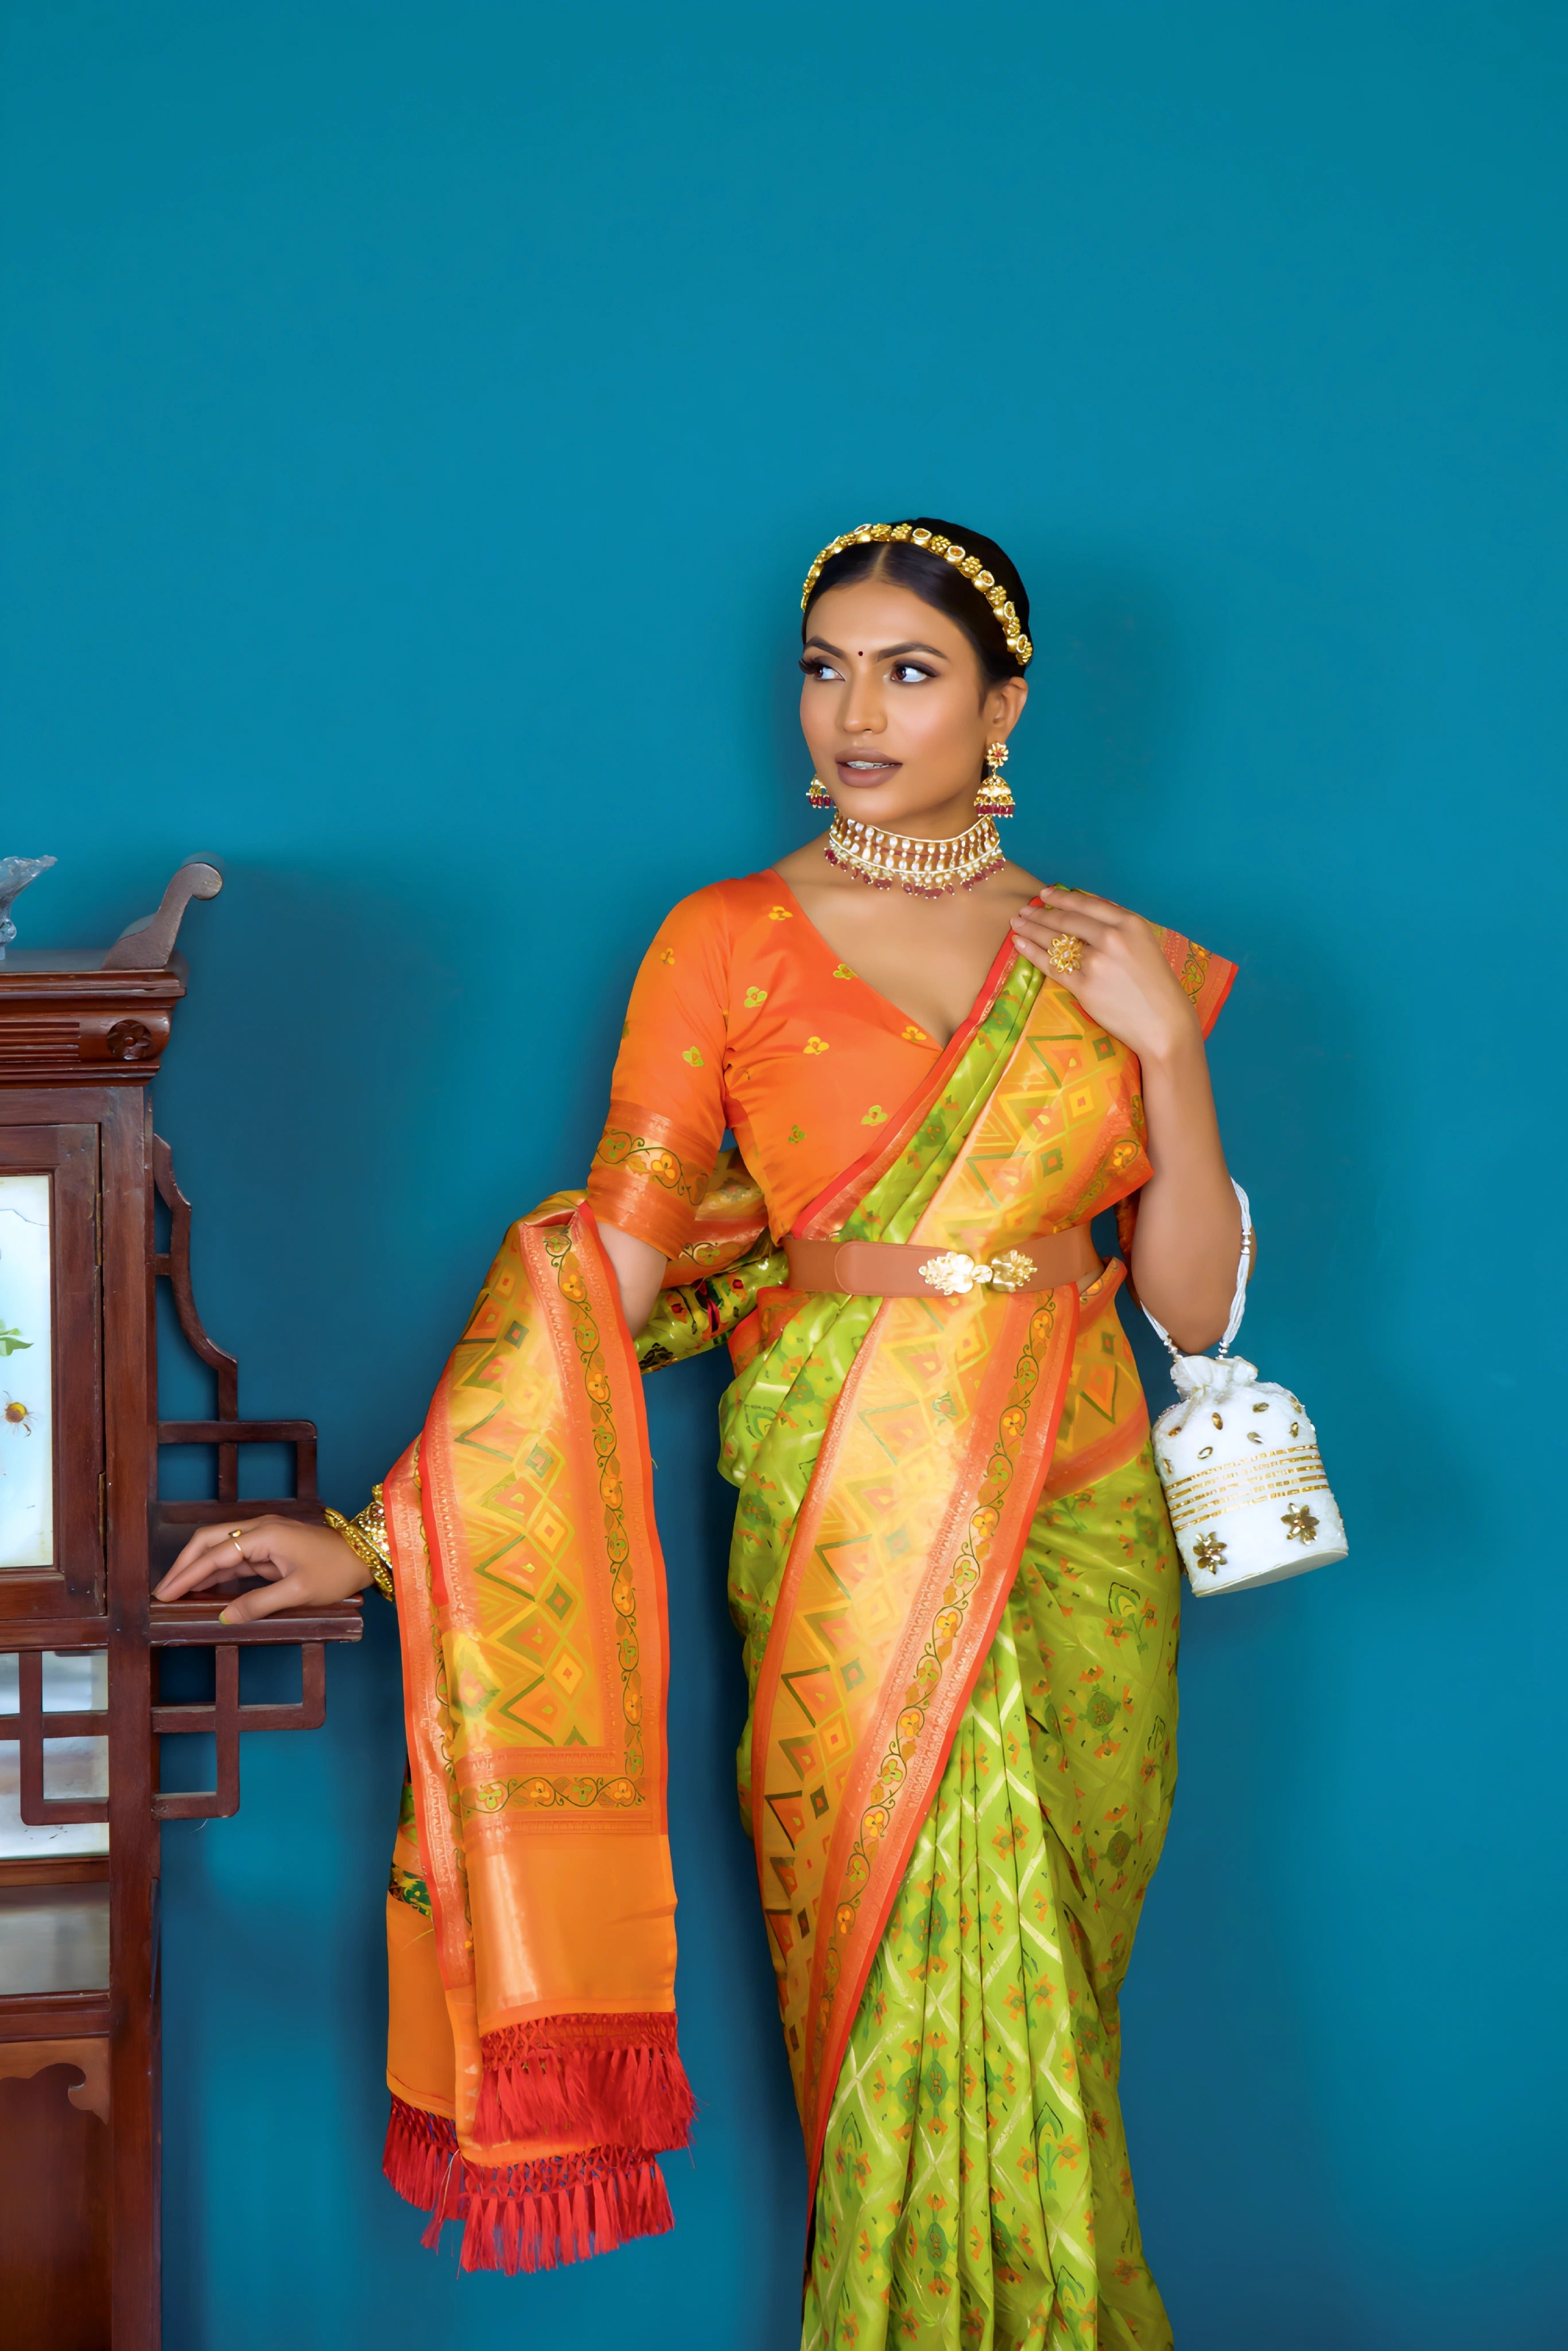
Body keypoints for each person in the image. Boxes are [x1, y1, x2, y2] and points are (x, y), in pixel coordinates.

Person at [157, 518, 1241, 2349]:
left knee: (1053, 1992)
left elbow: (1195, 1310)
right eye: (823, 668)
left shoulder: (1115, 962)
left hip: (1082, 1514)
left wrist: (1170, 1055)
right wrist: (382, 1530)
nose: (853, 711)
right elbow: (614, 1271)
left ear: (1004, 702)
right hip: (848, 1518)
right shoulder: (725, 941)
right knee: (896, 1967)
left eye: (907, 670)